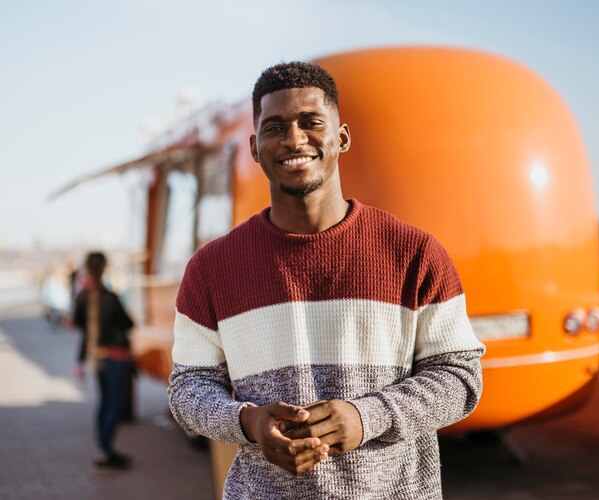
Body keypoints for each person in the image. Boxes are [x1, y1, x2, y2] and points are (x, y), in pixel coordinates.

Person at [168, 62, 486, 499]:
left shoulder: (415, 253)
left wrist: (366, 417)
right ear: (255, 148)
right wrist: (248, 422)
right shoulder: (211, 268)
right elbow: (188, 387)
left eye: (311, 122)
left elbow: (462, 377)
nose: (294, 139)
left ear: (342, 137)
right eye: (274, 126)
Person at [73, 251, 134, 470]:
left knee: (103, 404)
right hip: (115, 359)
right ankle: (105, 451)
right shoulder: (110, 297)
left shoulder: (82, 297)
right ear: (104, 268)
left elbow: (83, 330)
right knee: (113, 405)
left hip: (96, 359)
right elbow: (129, 323)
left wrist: (79, 361)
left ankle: (102, 449)